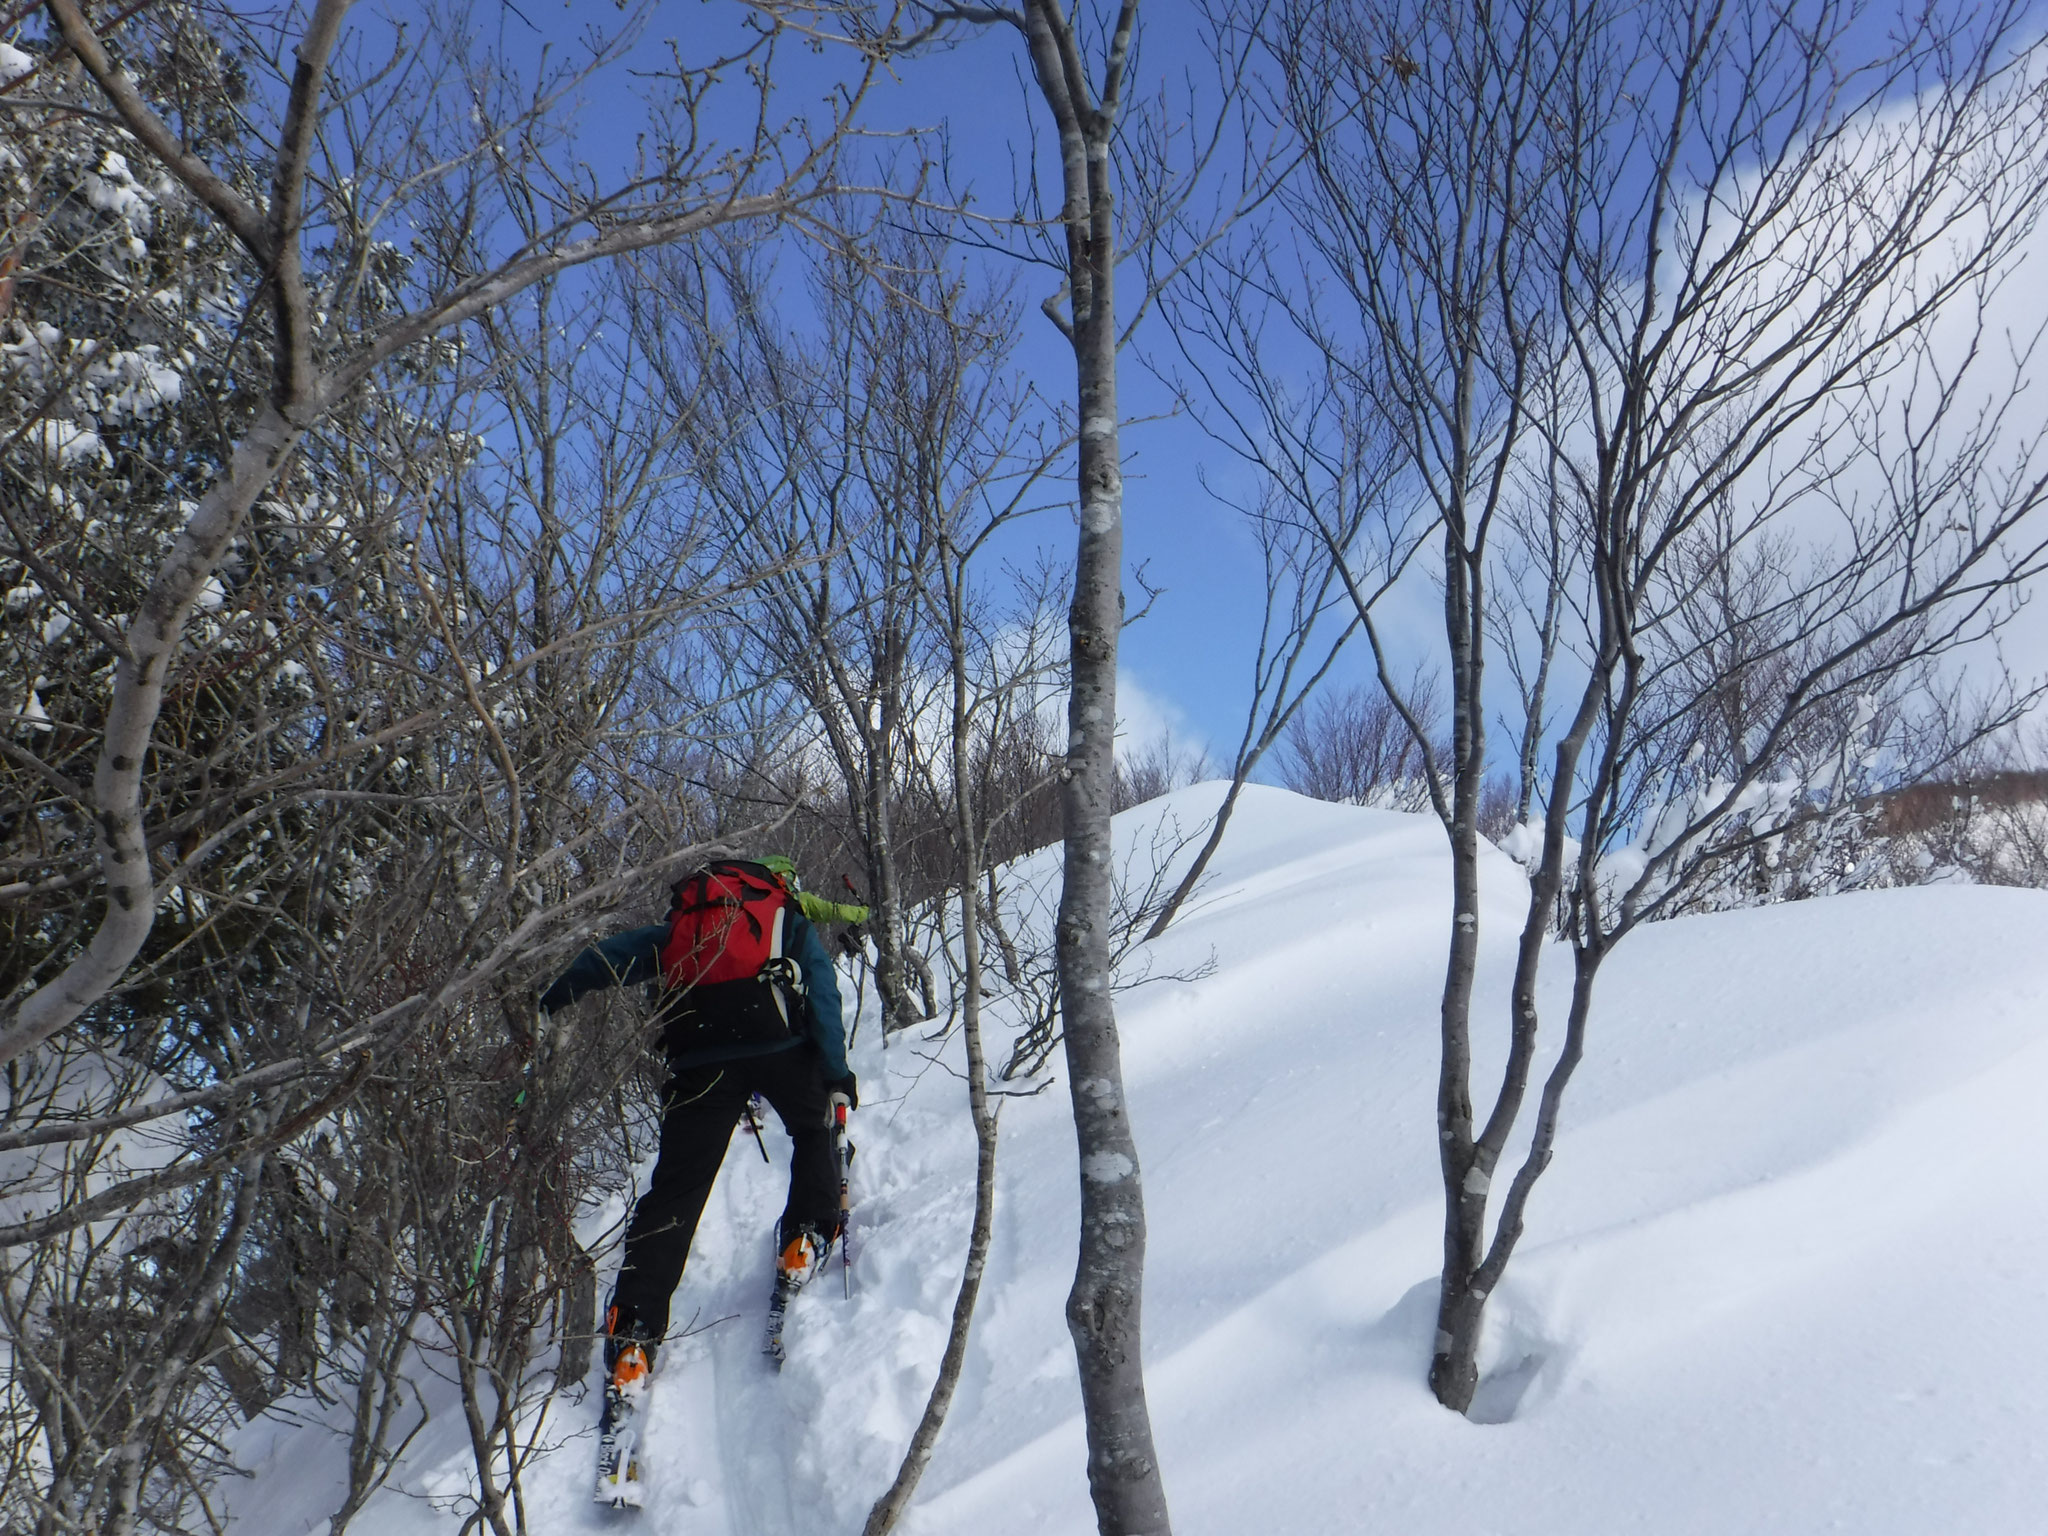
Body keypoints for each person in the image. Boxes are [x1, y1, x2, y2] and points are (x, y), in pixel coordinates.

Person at [537, 854, 867, 1392]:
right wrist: (836, 1073)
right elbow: (823, 997)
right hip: (782, 1050)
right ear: (782, 884)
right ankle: (804, 1237)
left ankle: (634, 1336)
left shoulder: (685, 926)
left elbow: (605, 959)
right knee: (815, 1131)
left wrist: (551, 999)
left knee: (677, 1190)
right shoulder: (786, 918)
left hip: (700, 1059)